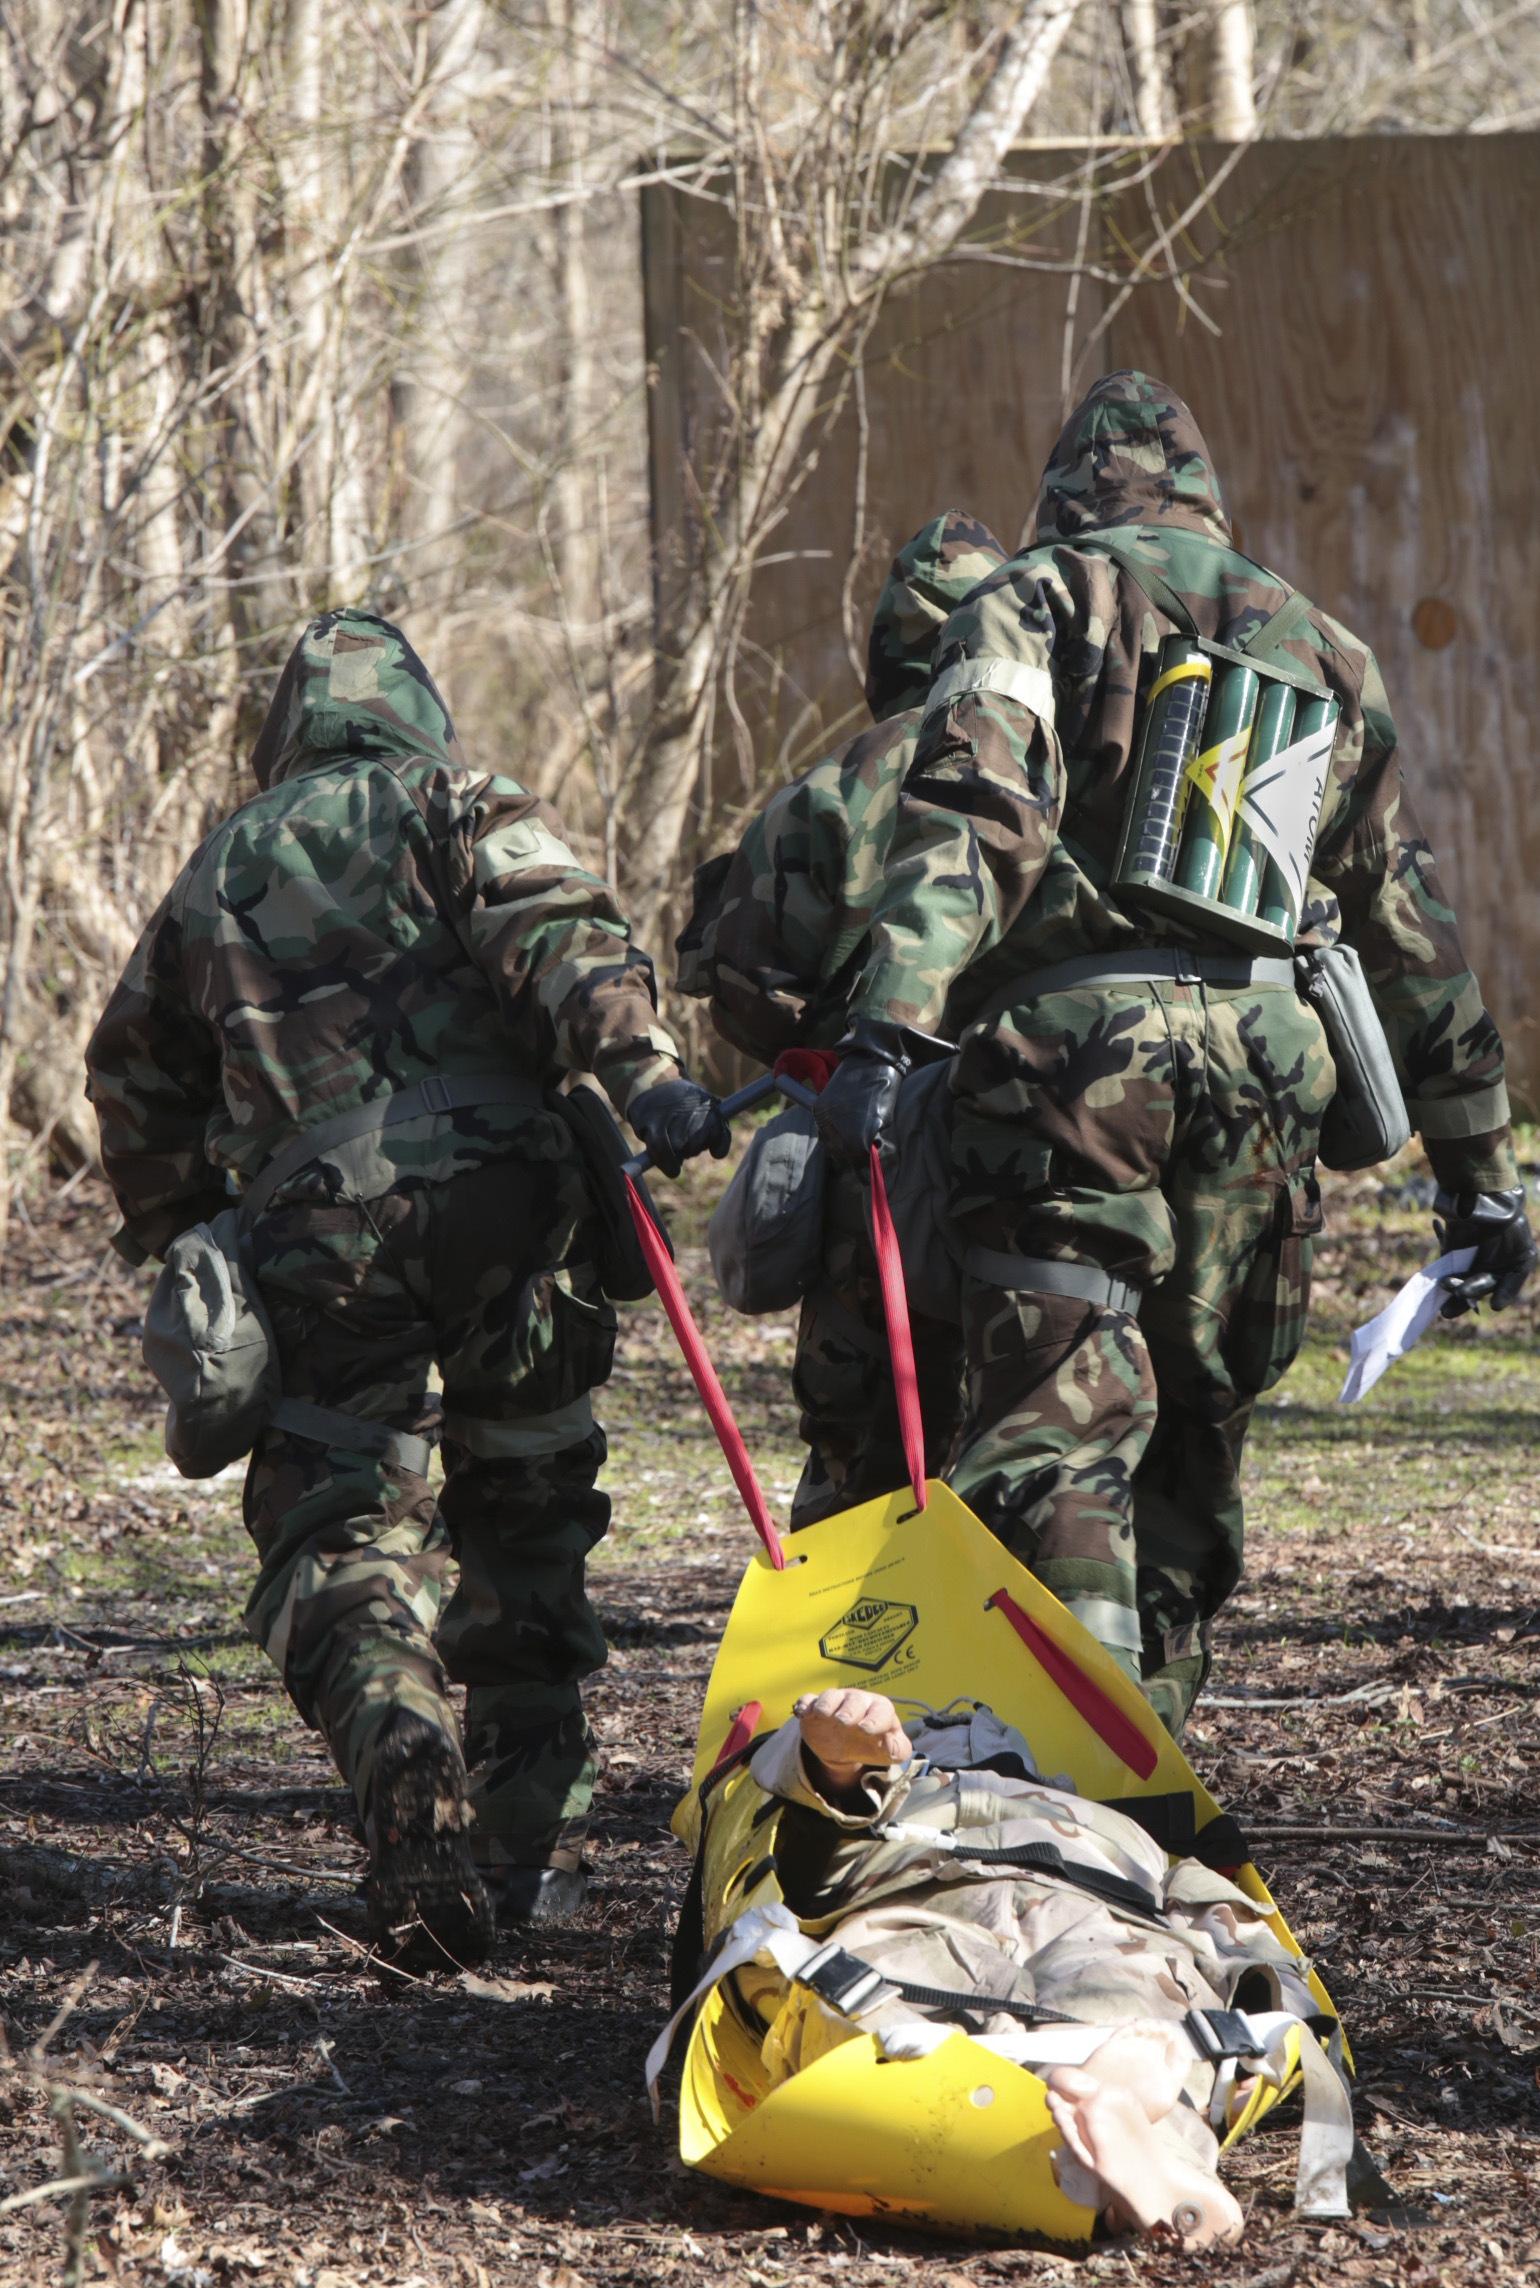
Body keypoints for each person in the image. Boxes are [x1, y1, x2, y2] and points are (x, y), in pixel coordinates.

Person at [811, 372, 1536, 1733]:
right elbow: (1402, 916)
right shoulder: (1322, 645)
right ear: (1202, 492)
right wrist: (1479, 1166)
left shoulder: (1030, 601)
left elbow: (976, 818)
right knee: (1198, 1415)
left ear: (1067, 491)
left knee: (1059, 1410)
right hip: (1268, 1062)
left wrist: (890, 1017)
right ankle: (1153, 1753)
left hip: (1071, 1066)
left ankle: (1073, 1755)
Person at [86, 608, 729, 1966]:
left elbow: (131, 1074)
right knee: (529, 1497)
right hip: (514, 1196)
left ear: (288, 730)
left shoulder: (219, 866)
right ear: (417, 711)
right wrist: (650, 1075)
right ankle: (515, 1837)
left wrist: (191, 1232)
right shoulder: (455, 799)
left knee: (338, 1524)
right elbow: (558, 926)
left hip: (323, 1230)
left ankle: (400, 1756)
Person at [662, 1684, 1352, 2246]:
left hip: (919, 1909)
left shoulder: (907, 1794)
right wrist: (1287, 2015)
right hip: (1099, 1914)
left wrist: (838, 1770)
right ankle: (1156, 2147)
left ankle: (1097, 2130)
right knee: (1149, 2022)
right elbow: (1223, 1920)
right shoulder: (1102, 1819)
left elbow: (799, 1850)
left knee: (881, 2028)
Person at [677, 510, 1006, 1525]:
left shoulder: (831, 789)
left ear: (886, 647)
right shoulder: (1065, 770)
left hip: (872, 1164)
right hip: (1042, 1146)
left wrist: (825, 1030)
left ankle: (851, 1672)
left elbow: (739, 979)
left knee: (862, 1455)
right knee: (1039, 1431)